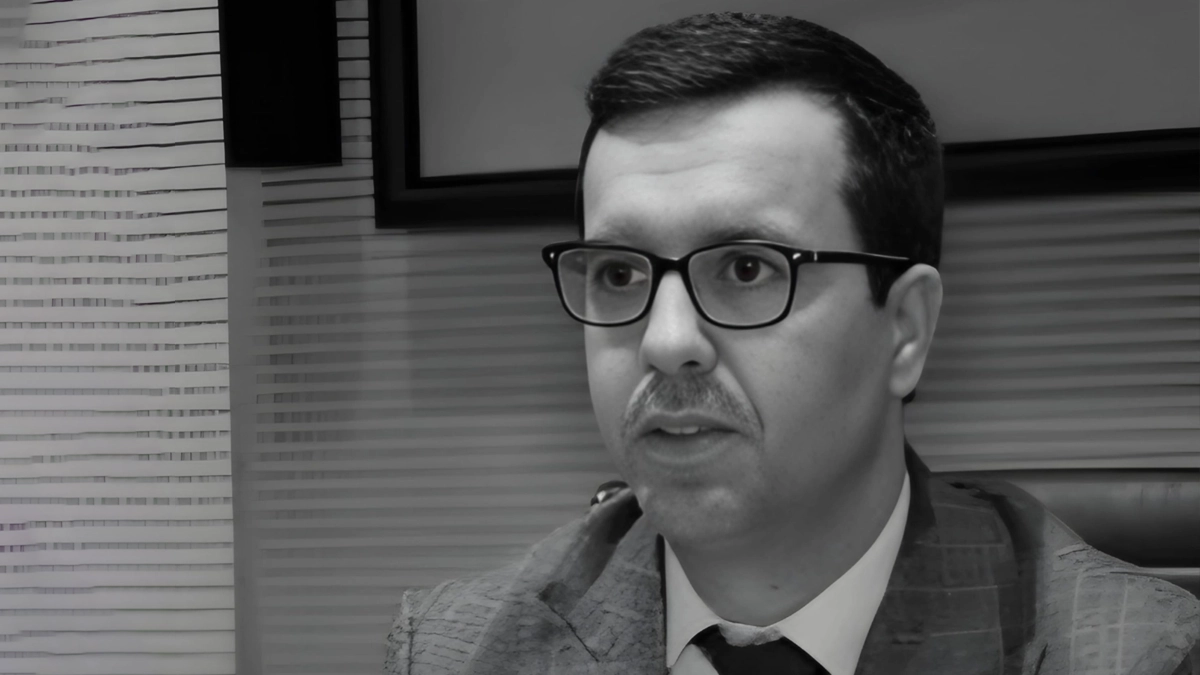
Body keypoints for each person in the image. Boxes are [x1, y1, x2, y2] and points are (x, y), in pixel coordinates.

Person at [385, 12, 1198, 675]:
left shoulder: (1133, 654)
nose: (666, 341)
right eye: (621, 274)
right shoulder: (455, 652)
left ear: (906, 328)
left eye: (747, 268)